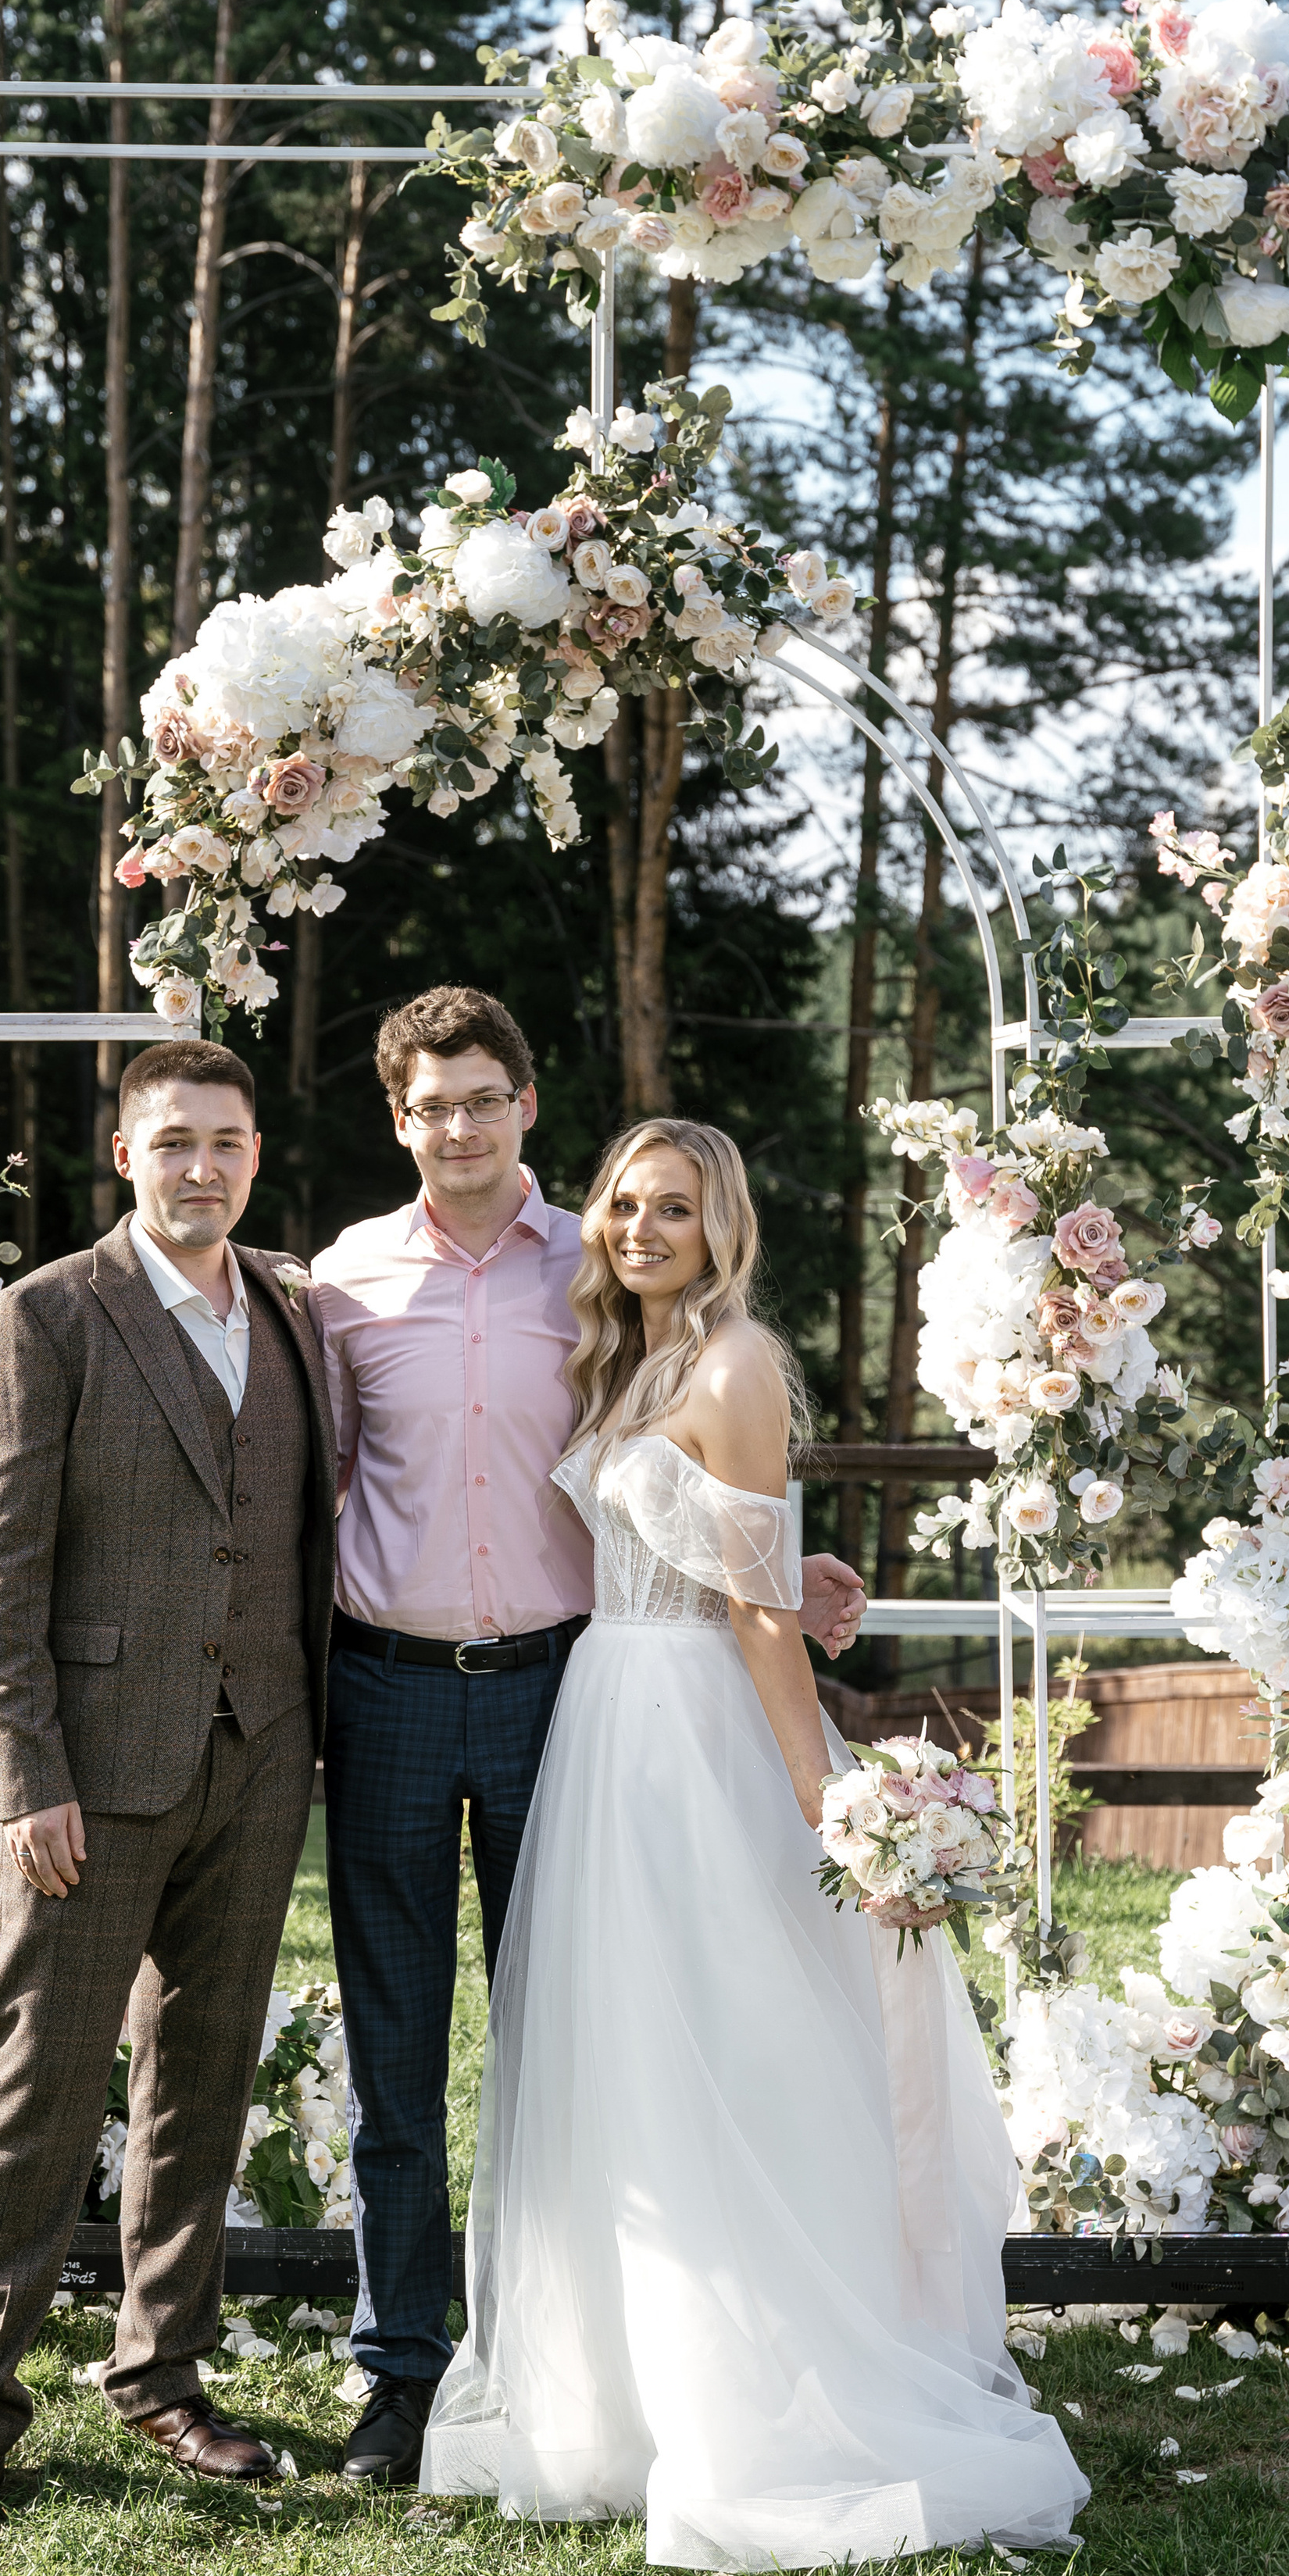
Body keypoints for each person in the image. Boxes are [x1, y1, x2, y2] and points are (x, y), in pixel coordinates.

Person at [419, 1117, 1089, 2567]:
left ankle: (763, 2393)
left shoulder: (733, 1366)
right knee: (625, 2056)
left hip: (696, 1733)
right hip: (607, 1715)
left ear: (723, 1228)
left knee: (736, 2037)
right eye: (621, 1204)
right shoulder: (629, 1359)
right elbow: (726, 1552)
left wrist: (820, 1798)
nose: (641, 1229)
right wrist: (797, 1568)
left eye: (675, 1209)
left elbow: (758, 1611)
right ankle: (624, 2398)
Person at [312, 991, 866, 2489]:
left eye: (485, 1097)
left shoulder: (606, 1262)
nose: (461, 1126)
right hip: (392, 1688)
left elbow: (703, 1468)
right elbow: (305, 1486)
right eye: (434, 1105)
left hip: (574, 1690)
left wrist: (780, 1571)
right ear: (399, 1116)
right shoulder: (344, 1282)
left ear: (529, 1105)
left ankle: (587, 2355)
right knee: (398, 2046)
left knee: (584, 2032)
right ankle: (403, 2372)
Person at [0, 1041, 337, 2539]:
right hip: (90, 1774)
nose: (199, 1167)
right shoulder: (51, 1315)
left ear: (258, 1155)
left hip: (260, 1753)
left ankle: (161, 2372)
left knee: (201, 2080)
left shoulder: (289, 1308)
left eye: (225, 1141)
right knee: (39, 2082)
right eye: (172, 1144)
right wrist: (29, 1777)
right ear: (125, 1155)